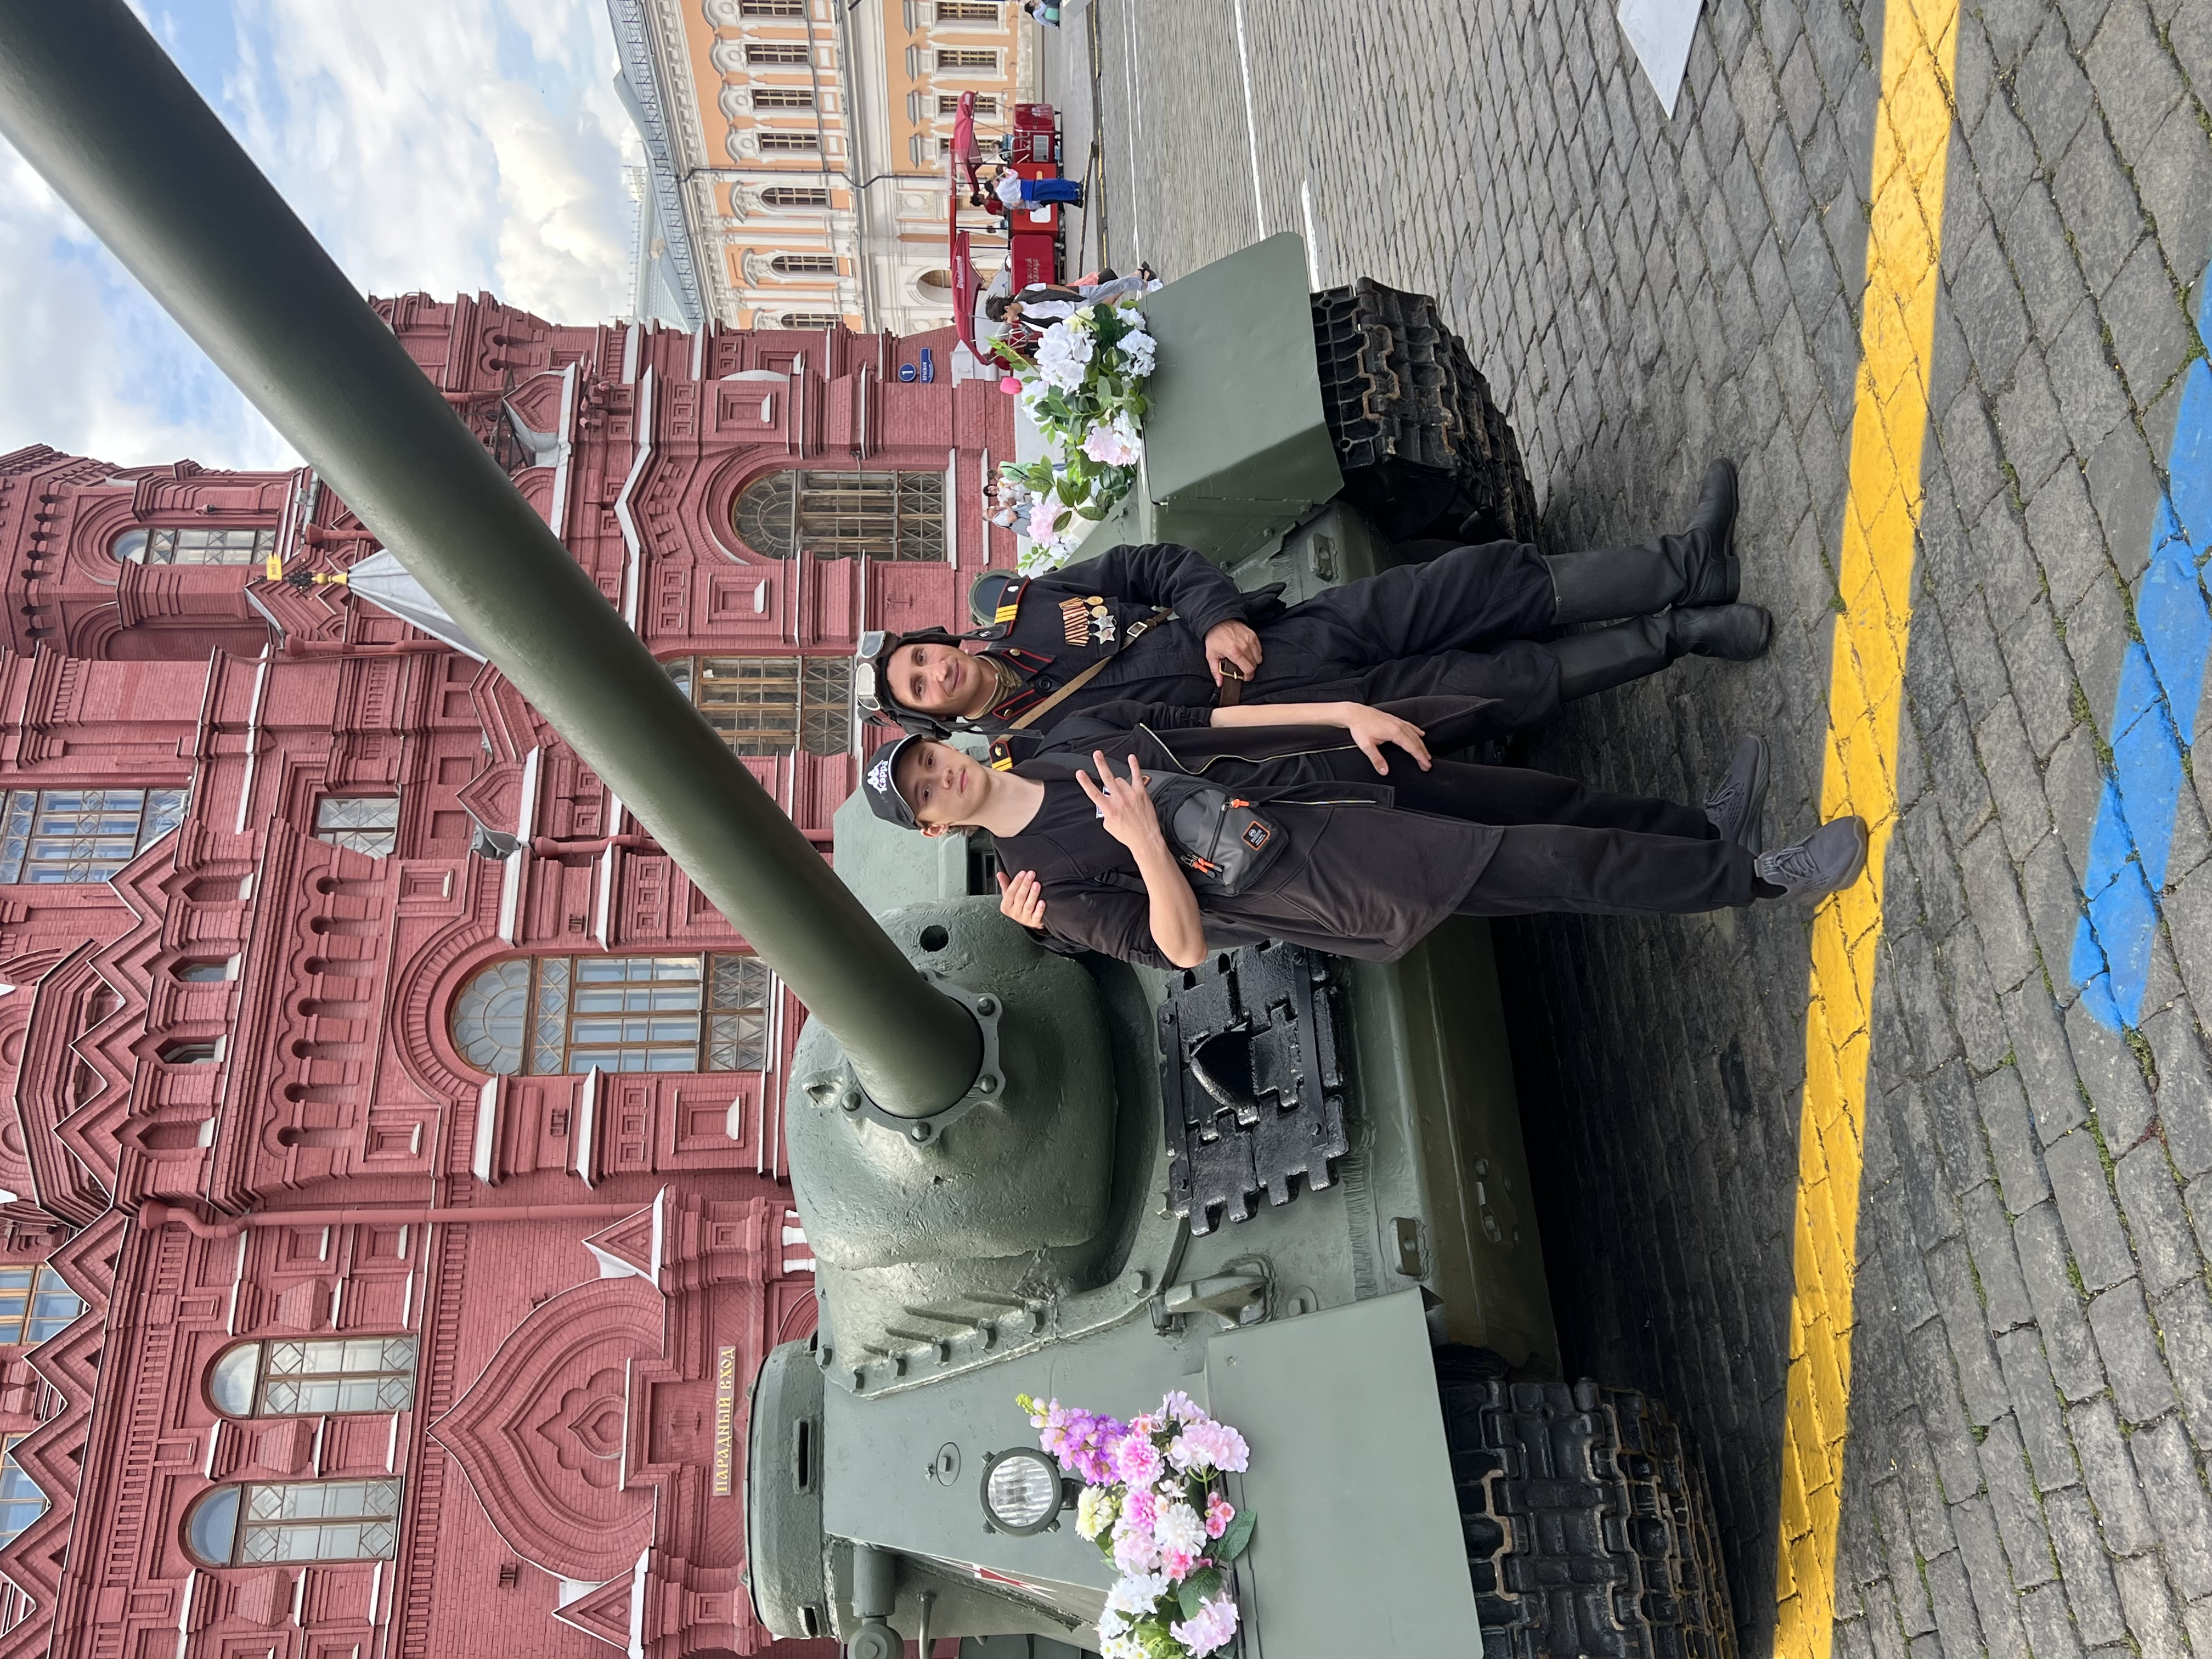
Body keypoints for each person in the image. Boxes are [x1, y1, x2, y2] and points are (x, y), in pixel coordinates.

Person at [859, 702, 1869, 970]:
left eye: (927, 758)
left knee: (1542, 802)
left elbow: (1197, 729)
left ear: (943, 744)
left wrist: (1343, 712)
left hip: (1323, 785)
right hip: (1328, 875)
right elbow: (1179, 947)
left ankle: (1702, 832)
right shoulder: (1043, 887)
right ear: (937, 825)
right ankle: (1759, 878)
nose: (940, 775)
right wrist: (1144, 845)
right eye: (924, 793)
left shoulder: (1052, 750)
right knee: (1557, 864)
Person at [855, 460, 1770, 746]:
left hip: (1285, 637)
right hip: (1292, 723)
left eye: (922, 656)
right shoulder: (1026, 752)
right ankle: (1684, 633)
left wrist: (1215, 615)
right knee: (1499, 684)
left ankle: (1686, 565)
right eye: (920, 687)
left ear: (937, 639)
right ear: (935, 718)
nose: (935, 671)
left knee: (1475, 584)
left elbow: (1152, 564)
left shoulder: (1026, 606)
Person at [992, 166, 1083, 211]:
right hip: (1030, 186)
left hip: (1030, 197)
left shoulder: (1003, 199)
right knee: (1055, 184)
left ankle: (1075, 195)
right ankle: (1076, 186)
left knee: (1055, 195)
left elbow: (1016, 202)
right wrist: (1007, 170)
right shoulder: (1002, 185)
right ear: (993, 184)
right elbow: (1015, 174)